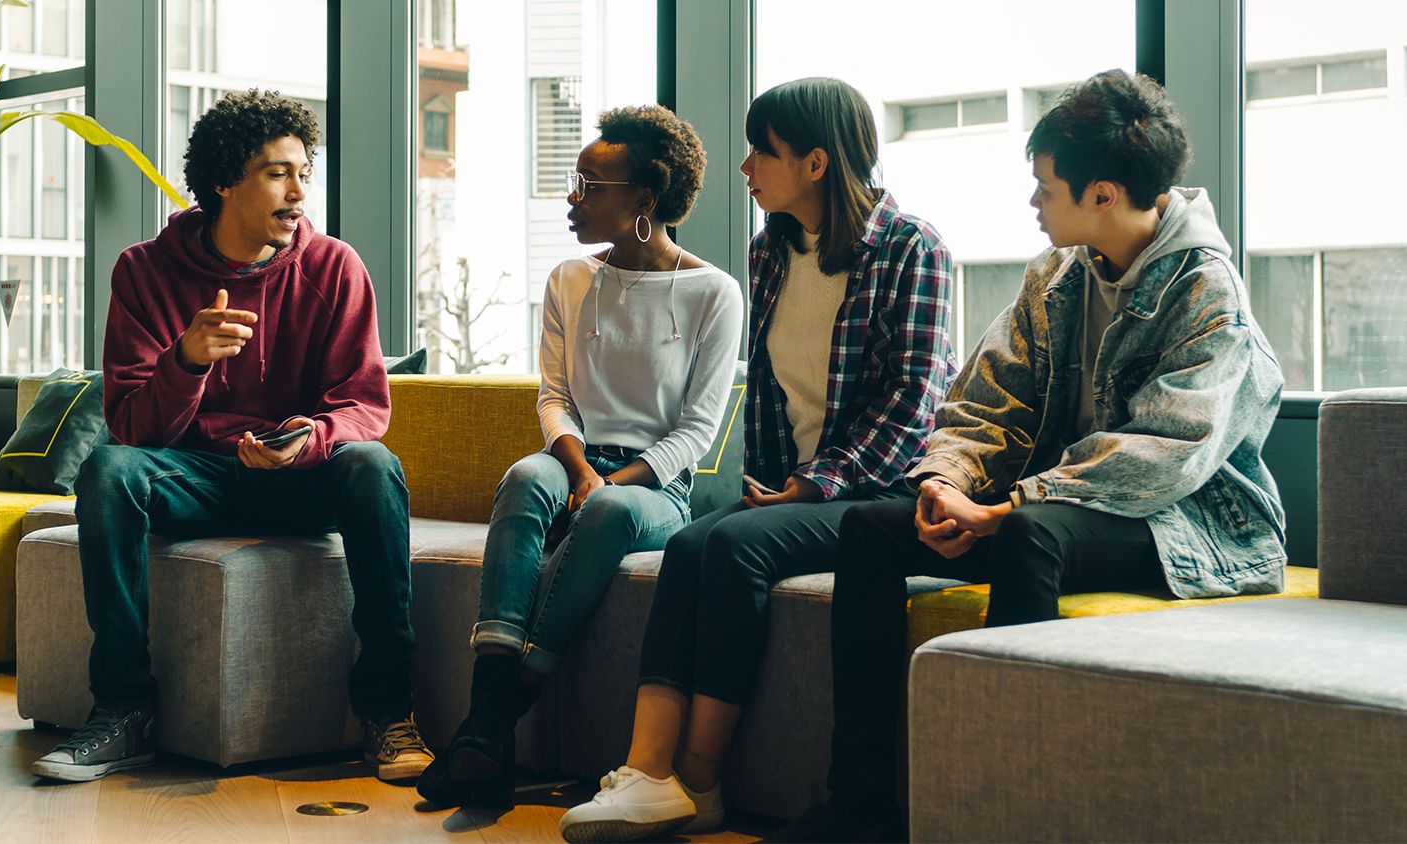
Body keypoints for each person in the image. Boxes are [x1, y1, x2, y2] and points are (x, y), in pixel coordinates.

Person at [783, 69, 1287, 841]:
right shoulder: (1055, 280)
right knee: (873, 530)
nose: (1033, 203)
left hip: (1189, 525)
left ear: (1104, 195)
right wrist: (947, 484)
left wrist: (1010, 505)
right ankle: (859, 806)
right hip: (1060, 509)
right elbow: (985, 398)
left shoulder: (1207, 291)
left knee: (1029, 533)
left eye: (1044, 188)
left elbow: (1168, 451)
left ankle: (994, 808)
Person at [558, 77, 956, 843]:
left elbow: (913, 407)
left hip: (878, 494)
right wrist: (772, 487)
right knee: (690, 544)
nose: (744, 168)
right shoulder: (772, 251)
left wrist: (811, 485)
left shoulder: (914, 251)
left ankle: (699, 780)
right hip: (796, 491)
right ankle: (651, 772)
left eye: (760, 152)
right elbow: (770, 394)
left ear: (814, 162)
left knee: (734, 547)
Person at [31, 89, 431, 783]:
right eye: (278, 173)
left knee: (372, 463)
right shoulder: (145, 271)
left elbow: (363, 403)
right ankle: (124, 711)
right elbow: (131, 428)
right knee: (108, 470)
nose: (299, 190)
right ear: (223, 181)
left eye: (304, 171)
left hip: (302, 478)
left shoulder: (335, 267)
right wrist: (184, 363)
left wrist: (308, 439)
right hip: (200, 480)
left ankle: (388, 710)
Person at [415, 105, 744, 808]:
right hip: (572, 459)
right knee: (522, 478)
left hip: (657, 487)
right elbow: (554, 397)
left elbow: (698, 431)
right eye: (576, 180)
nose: (573, 196)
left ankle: (492, 723)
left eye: (590, 184)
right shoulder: (570, 279)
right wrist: (579, 468)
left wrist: (607, 483)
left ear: (645, 200)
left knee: (612, 510)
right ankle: (492, 707)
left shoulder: (714, 293)